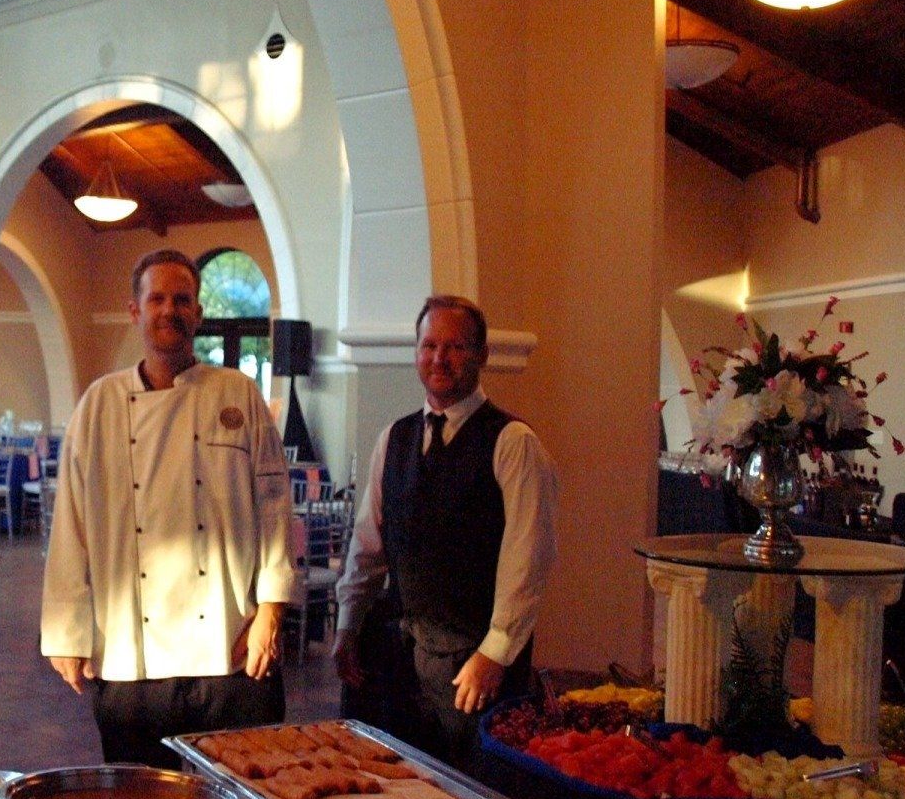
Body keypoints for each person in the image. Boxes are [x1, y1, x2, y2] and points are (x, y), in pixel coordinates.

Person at [42, 250, 298, 767]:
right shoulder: (99, 404)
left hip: (229, 641)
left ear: (198, 314)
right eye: (156, 298)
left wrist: (271, 608)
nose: (169, 310)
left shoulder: (238, 394)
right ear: (135, 311)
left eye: (182, 299)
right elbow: (70, 525)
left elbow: (274, 507)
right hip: (130, 653)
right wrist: (66, 633)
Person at [332, 295, 558, 763]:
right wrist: (348, 624)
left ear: (481, 355)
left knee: (470, 796)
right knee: (392, 787)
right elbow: (368, 547)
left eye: (455, 347)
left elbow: (528, 559)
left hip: (474, 667)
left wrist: (495, 653)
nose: (439, 358)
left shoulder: (513, 441)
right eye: (429, 345)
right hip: (399, 660)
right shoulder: (394, 436)